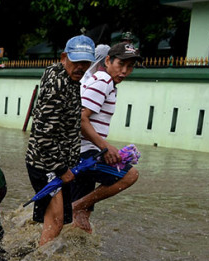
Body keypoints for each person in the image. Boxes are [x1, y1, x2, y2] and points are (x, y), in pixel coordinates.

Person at [24, 34, 94, 246]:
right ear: (64, 57)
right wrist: (61, 169)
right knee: (56, 220)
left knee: (57, 219)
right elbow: (44, 134)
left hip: (55, 162)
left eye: (85, 63)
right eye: (76, 61)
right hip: (46, 164)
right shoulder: (58, 85)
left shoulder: (69, 78)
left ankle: (37, 251)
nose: (81, 67)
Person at [71, 42, 143, 231]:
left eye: (130, 67)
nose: (124, 71)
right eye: (121, 64)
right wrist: (105, 147)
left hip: (83, 151)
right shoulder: (103, 81)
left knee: (81, 223)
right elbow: (81, 119)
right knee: (130, 175)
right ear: (108, 60)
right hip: (84, 154)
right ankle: (74, 207)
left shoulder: (101, 80)